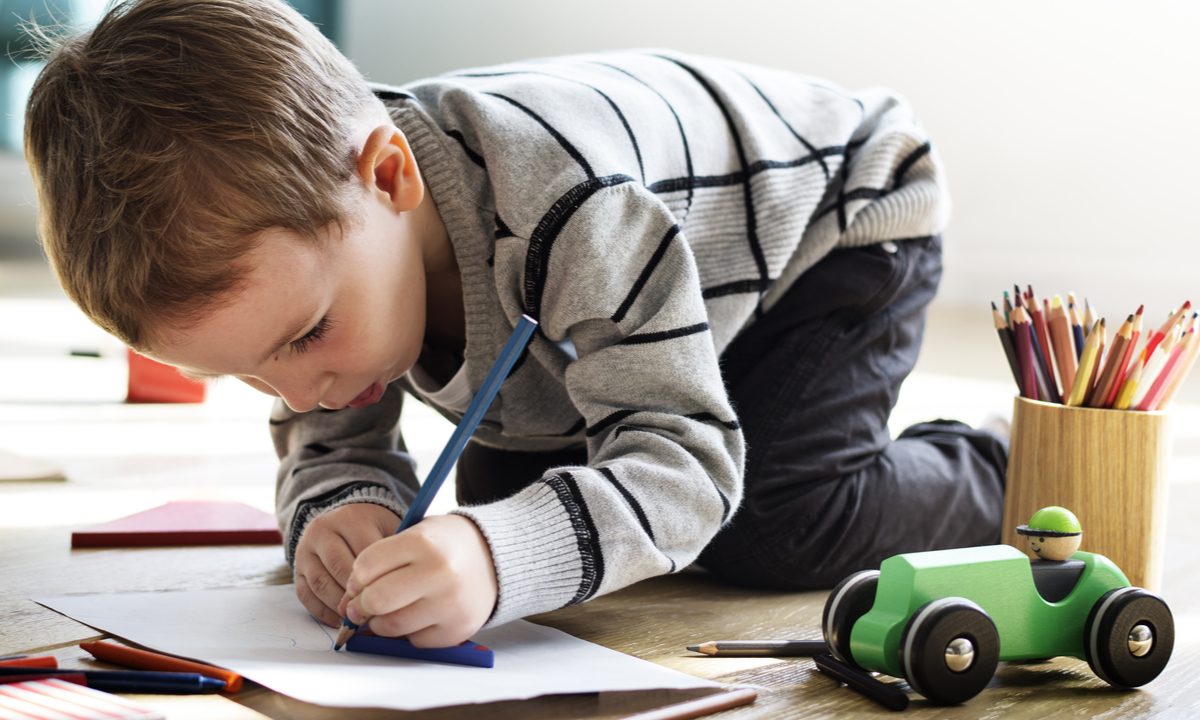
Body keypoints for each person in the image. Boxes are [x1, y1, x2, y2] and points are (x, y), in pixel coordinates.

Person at [24, 0, 1007, 648]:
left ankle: (996, 462)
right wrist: (338, 506)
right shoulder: (315, 279)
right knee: (514, 487)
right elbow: (327, 433)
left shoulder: (568, 206)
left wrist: (495, 557)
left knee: (766, 521)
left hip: (829, 218)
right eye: (245, 376)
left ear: (390, 176)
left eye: (305, 338)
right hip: (640, 290)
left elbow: (689, 465)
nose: (299, 396)